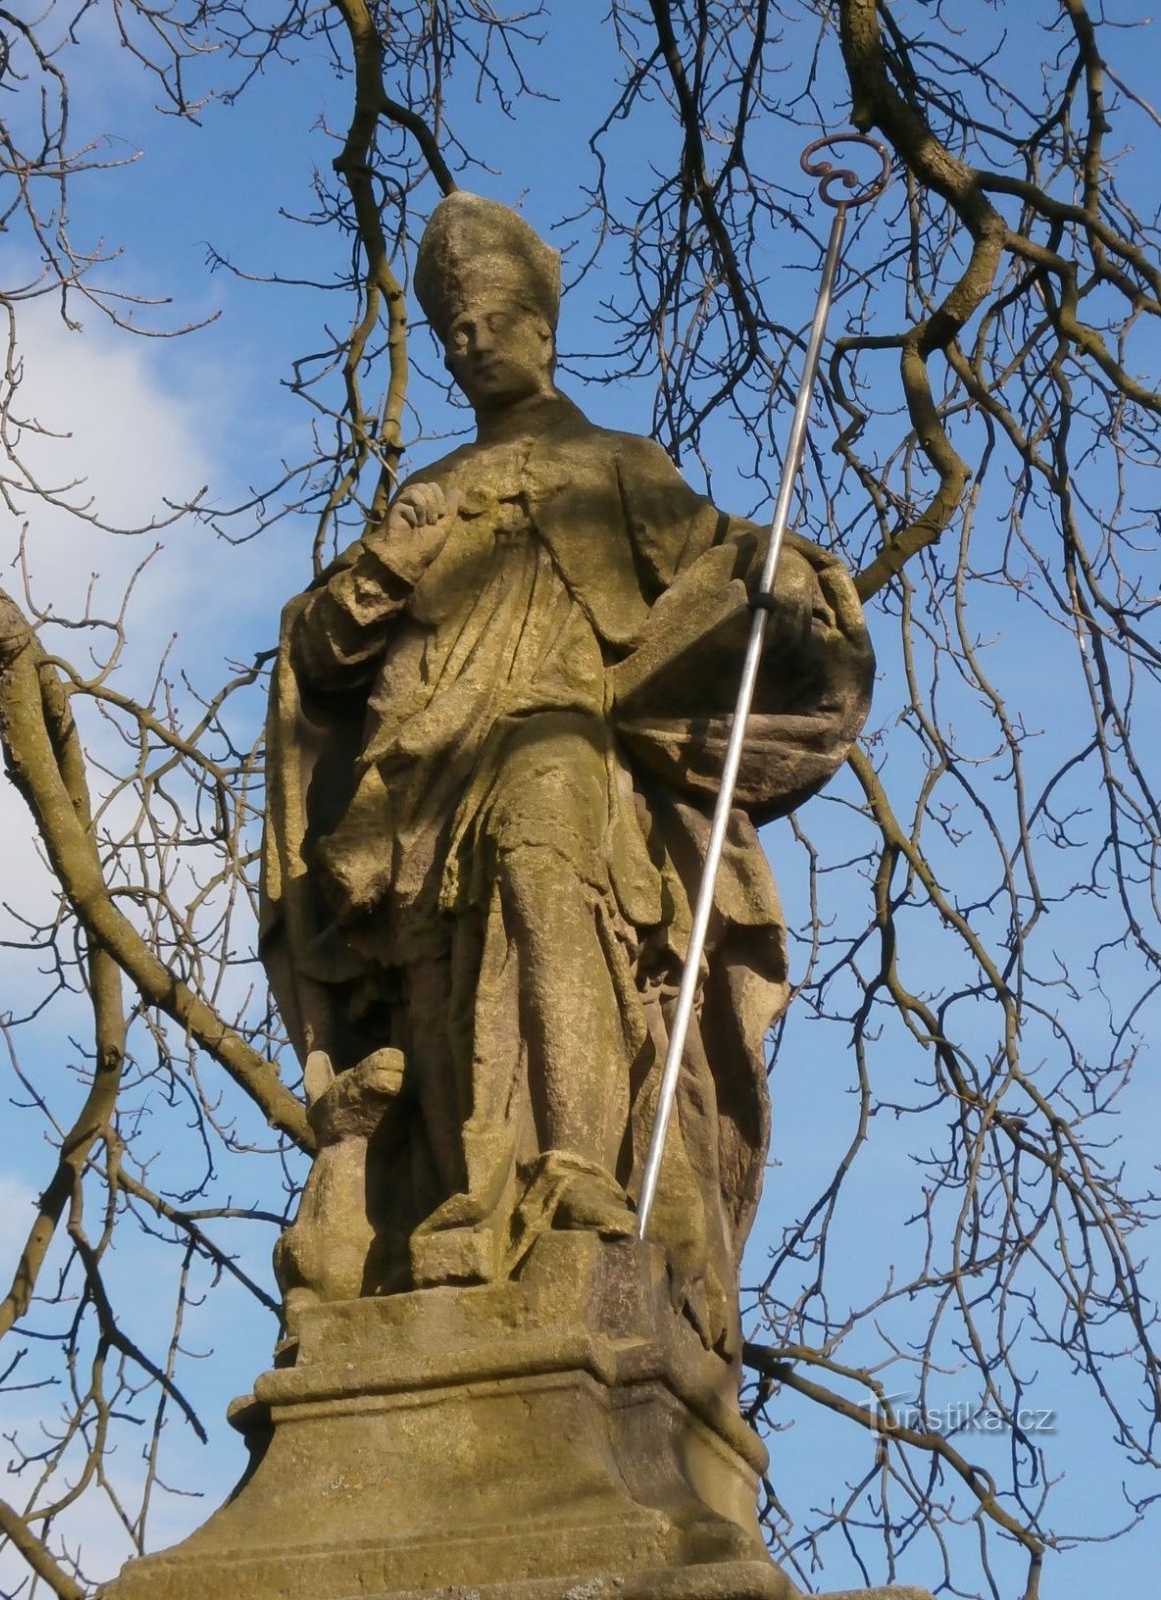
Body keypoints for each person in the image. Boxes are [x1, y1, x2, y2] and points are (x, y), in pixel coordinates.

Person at [262, 192, 873, 1353]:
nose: (469, 342)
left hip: (566, 744)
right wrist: (388, 563)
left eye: (489, 319)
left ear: (542, 327)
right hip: (417, 781)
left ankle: (576, 1172)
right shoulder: (426, 490)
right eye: (452, 333)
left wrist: (781, 561)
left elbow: (723, 557)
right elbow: (319, 654)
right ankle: (468, 1196)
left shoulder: (616, 467)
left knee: (548, 894)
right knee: (438, 986)